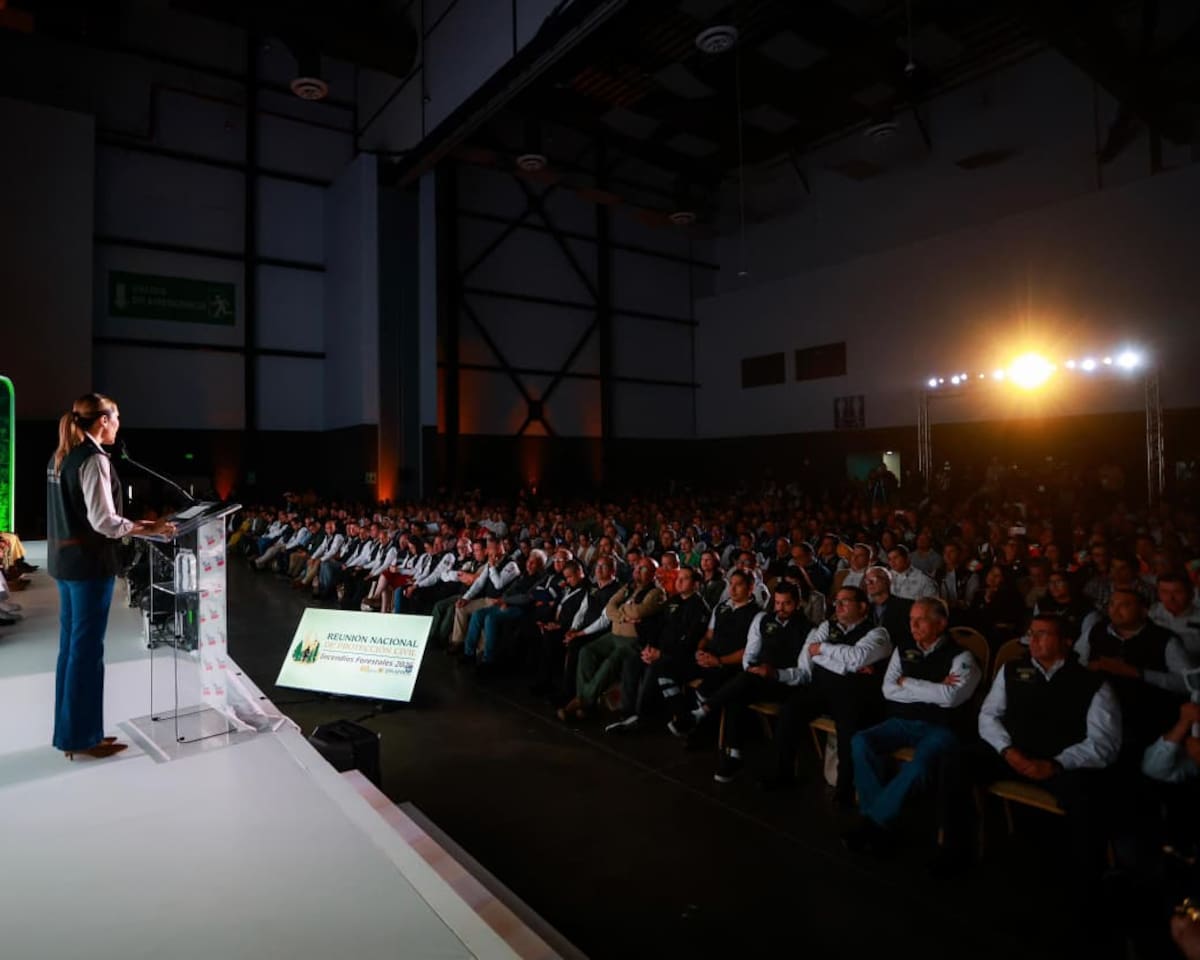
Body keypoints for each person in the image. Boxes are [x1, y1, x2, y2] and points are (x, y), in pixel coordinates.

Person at [47, 393, 175, 760]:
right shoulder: (93, 459)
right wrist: (145, 529)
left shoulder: (61, 455)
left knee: (71, 651)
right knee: (86, 653)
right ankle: (82, 738)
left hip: (66, 564)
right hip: (89, 567)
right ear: (103, 420)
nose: (119, 424)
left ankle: (70, 734)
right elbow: (103, 521)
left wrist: (141, 525)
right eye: (116, 417)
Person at [845, 597, 980, 870]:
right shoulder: (904, 648)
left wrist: (908, 683)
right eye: (911, 619)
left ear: (941, 623)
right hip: (902, 721)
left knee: (920, 764)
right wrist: (931, 688)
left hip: (941, 727)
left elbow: (951, 698)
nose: (914, 625)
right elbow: (888, 689)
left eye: (921, 619)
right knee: (860, 741)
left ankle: (873, 824)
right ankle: (879, 821)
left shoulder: (962, 657)